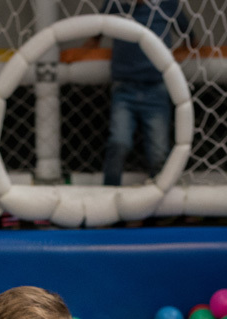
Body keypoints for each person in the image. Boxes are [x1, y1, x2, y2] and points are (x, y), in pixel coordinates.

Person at [84, 0, 196, 186]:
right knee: (119, 143)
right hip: (124, 87)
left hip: (156, 87)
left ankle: (161, 192)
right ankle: (108, 191)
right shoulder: (116, 4)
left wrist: (180, 58)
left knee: (159, 152)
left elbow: (190, 37)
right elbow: (96, 33)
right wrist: (79, 54)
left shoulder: (167, 4)